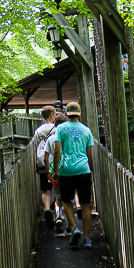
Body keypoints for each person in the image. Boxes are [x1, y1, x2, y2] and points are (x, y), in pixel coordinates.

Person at [53, 101, 94, 248]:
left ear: (67, 114)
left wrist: (56, 170)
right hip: (83, 169)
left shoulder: (61, 128)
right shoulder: (87, 130)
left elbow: (57, 150)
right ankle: (87, 238)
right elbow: (89, 154)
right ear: (79, 113)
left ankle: (74, 227)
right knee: (85, 204)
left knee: (66, 200)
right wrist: (90, 171)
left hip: (67, 170)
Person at [44, 112, 68, 235]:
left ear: (55, 124)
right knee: (68, 198)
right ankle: (70, 225)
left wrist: (49, 172)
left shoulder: (51, 139)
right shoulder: (68, 138)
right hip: (68, 170)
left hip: (55, 170)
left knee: (57, 197)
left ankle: (58, 216)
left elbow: (45, 157)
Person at [32, 106, 56, 228]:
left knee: (45, 189)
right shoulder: (56, 129)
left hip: (41, 161)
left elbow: (35, 144)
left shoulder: (38, 130)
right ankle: (56, 213)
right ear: (51, 116)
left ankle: (47, 209)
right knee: (56, 188)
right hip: (54, 161)